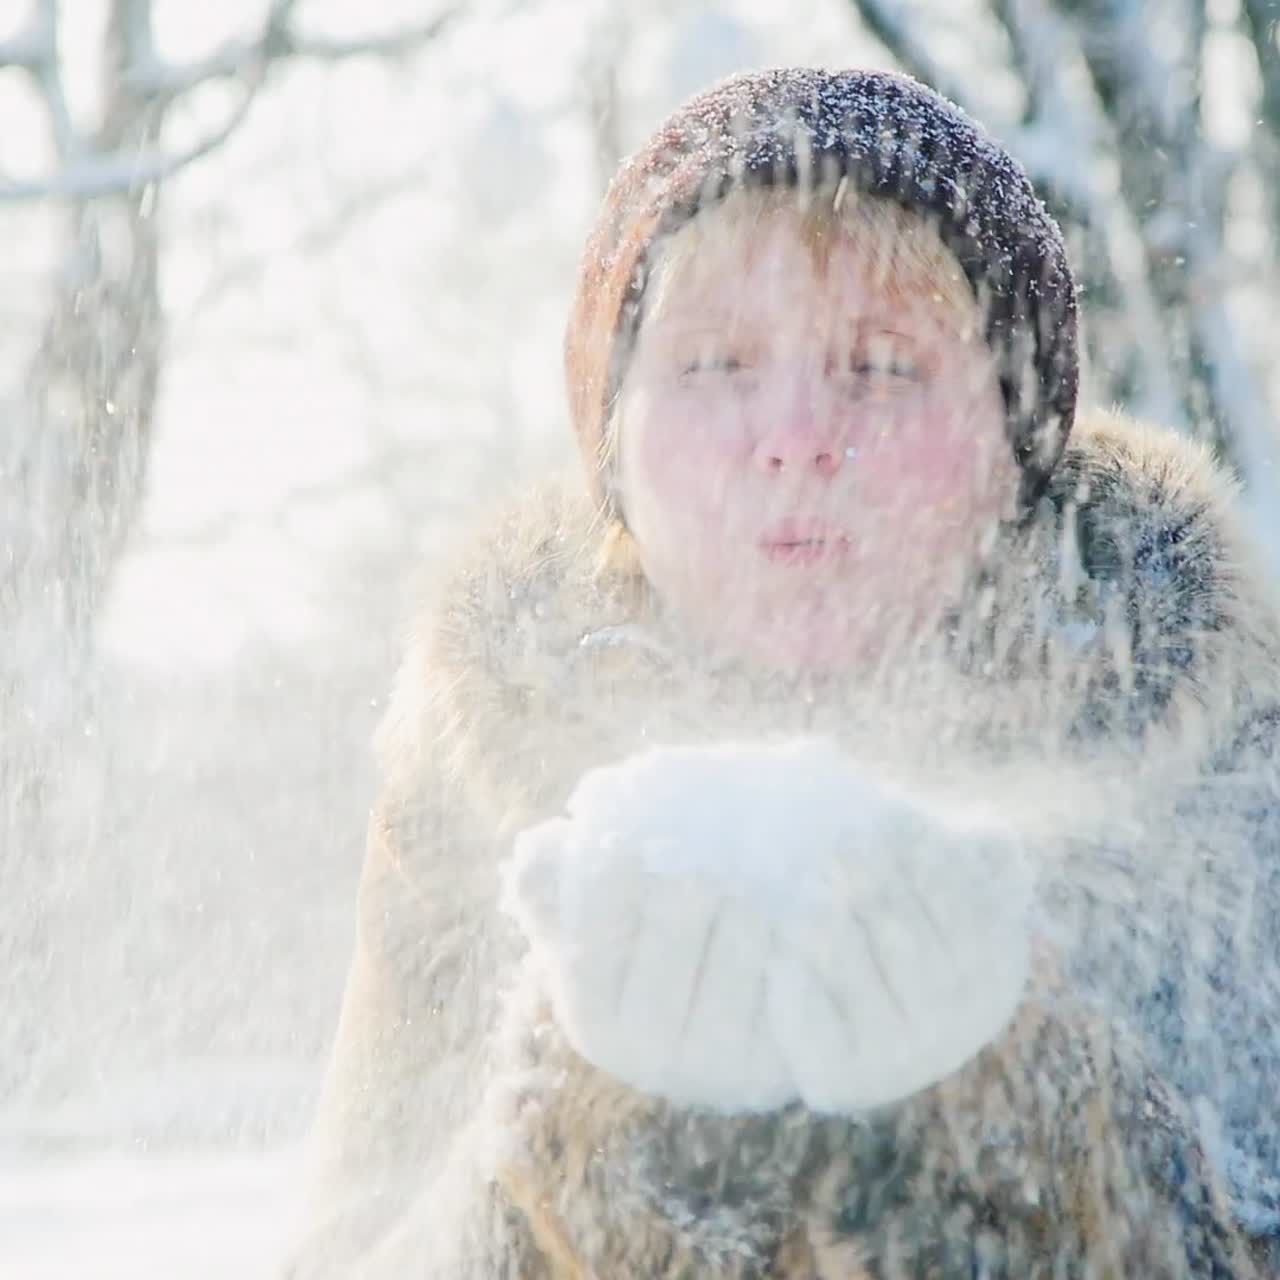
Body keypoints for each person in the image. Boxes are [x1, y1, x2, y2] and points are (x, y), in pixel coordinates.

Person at [283, 68, 1280, 1277]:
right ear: (615, 446)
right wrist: (569, 1129)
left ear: (1011, 441)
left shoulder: (1216, 770)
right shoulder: (477, 785)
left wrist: (1037, 1112)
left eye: (882, 365)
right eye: (713, 364)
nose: (798, 435)